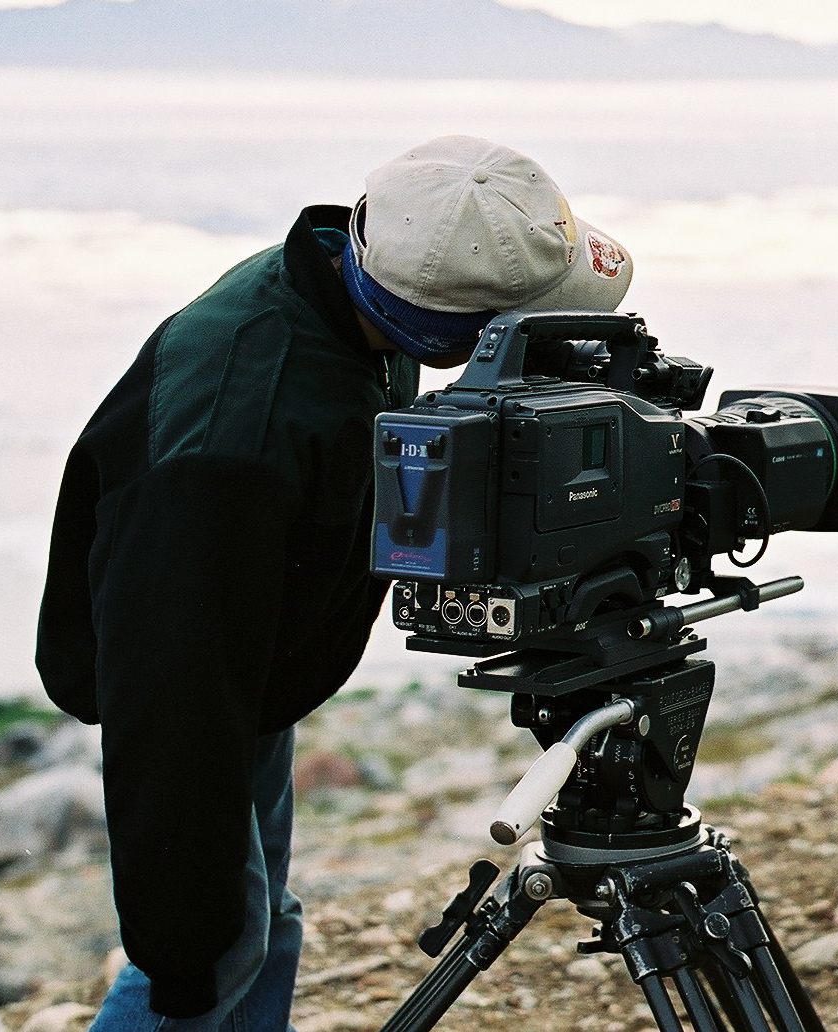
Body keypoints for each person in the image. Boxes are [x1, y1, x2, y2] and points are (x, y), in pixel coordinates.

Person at [34, 135, 633, 1030]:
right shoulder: (231, 447)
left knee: (265, 923)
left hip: (247, 651)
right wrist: (179, 951)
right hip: (194, 676)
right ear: (434, 329)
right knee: (208, 955)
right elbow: (170, 706)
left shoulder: (351, 275)